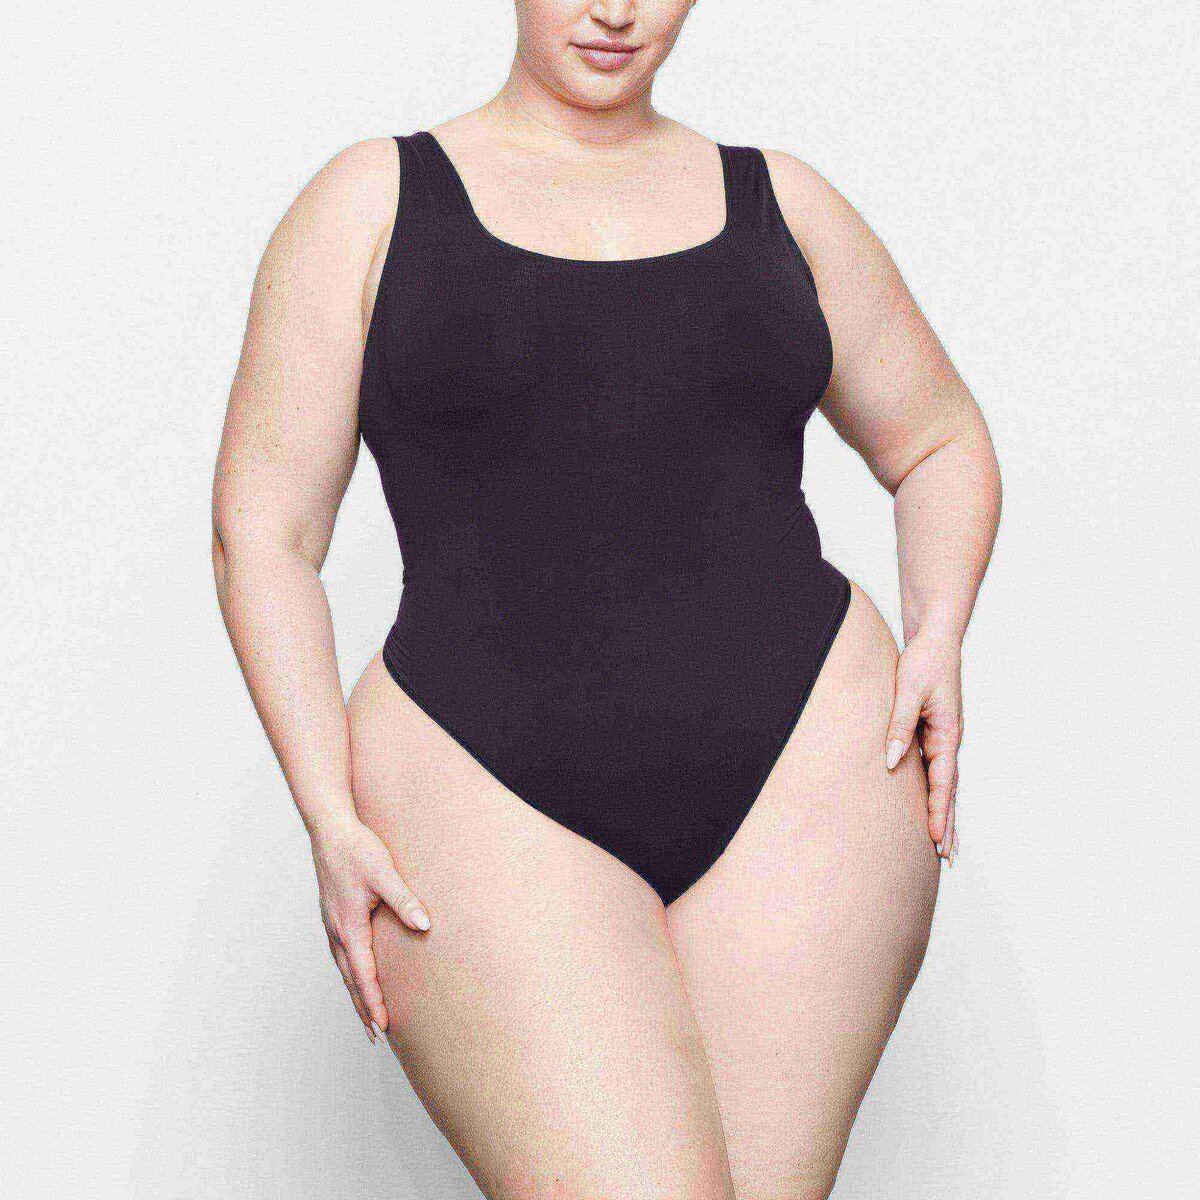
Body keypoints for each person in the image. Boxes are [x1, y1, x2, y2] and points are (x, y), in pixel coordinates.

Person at [211, 2, 1001, 1196]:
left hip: (812, 769)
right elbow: (263, 533)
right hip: (475, 772)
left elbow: (940, 439)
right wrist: (328, 809)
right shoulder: (369, 203)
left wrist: (937, 634)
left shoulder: (784, 201)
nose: (617, 9)